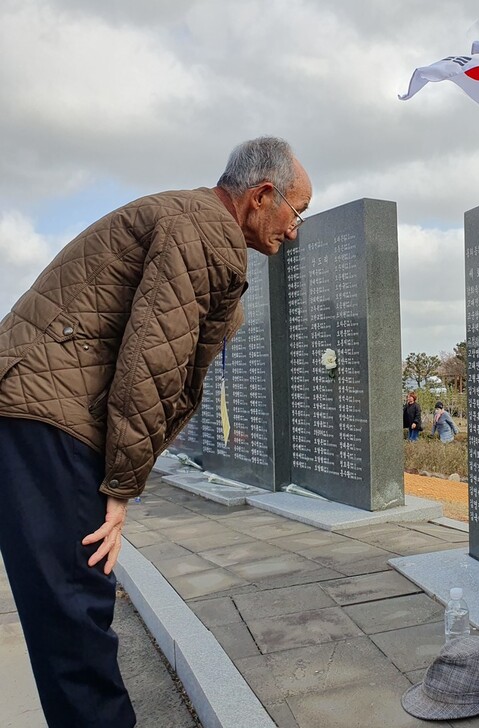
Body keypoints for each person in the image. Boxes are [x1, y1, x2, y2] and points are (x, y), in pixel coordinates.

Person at [0, 136, 312, 727]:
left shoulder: (192, 220)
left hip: (36, 410)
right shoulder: (205, 230)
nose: (294, 229)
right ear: (261, 195)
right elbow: (154, 362)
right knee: (75, 616)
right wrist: (120, 489)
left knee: (66, 614)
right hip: (51, 419)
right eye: (295, 211)